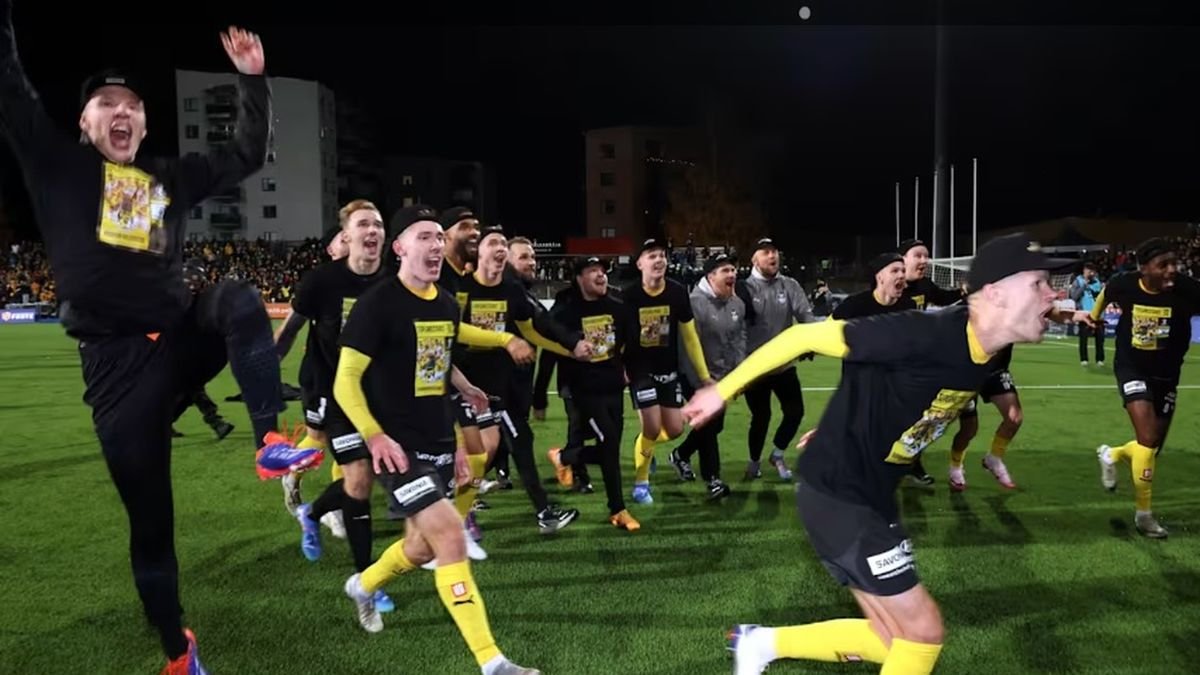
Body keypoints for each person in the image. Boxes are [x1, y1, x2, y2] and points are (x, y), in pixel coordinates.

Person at [0, 9, 279, 671]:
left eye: (132, 105)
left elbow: (245, 155)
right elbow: (10, 84)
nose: (120, 112)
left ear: (146, 124)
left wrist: (252, 80)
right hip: (117, 371)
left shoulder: (166, 178)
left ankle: (270, 441)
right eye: (106, 104)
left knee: (237, 297)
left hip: (179, 339)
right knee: (153, 523)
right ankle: (176, 648)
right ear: (84, 121)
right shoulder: (56, 165)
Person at [683, 233, 1085, 675]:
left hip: (870, 493)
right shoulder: (924, 332)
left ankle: (760, 644)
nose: (1053, 294)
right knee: (924, 631)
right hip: (841, 494)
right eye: (1038, 284)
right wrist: (720, 391)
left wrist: (843, 424)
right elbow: (801, 336)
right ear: (995, 293)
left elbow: (895, 387)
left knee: (893, 638)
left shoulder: (986, 344)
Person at [333, 206, 540, 674]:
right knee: (449, 535)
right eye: (423, 236)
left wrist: (461, 413)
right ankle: (493, 663)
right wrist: (375, 436)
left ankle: (362, 585)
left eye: (438, 237)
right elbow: (345, 380)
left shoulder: (445, 302)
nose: (434, 245)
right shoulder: (377, 304)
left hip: (438, 441)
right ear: (400, 247)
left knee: (421, 548)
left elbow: (442, 353)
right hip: (397, 448)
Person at [274, 200, 399, 623]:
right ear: (347, 236)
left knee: (370, 479)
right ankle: (367, 581)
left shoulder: (394, 281)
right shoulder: (322, 281)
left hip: (381, 395)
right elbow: (289, 332)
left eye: (378, 224)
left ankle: (311, 512)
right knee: (359, 480)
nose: (372, 230)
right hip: (335, 392)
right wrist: (263, 376)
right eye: (363, 224)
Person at [451, 225, 584, 535]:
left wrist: (570, 349)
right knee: (482, 450)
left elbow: (533, 330)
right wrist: (504, 340)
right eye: (493, 243)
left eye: (503, 243)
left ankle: (542, 513)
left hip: (498, 385)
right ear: (479, 252)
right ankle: (454, 513)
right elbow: (452, 331)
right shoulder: (460, 289)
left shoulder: (511, 291)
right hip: (464, 383)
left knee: (516, 441)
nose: (499, 248)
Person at [1094, 237, 1200, 538]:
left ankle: (1112, 454)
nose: (1171, 270)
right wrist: (1093, 318)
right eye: (1162, 265)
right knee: (1148, 437)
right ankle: (1144, 516)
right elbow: (1105, 293)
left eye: (1174, 263)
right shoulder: (1125, 284)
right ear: (1144, 269)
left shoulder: (1188, 289)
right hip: (1132, 368)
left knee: (1152, 448)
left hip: (1167, 375)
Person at [546, 256, 641, 530]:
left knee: (609, 450)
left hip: (614, 387)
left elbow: (630, 343)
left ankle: (564, 457)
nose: (601, 275)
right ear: (579, 278)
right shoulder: (566, 311)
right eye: (593, 271)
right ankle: (618, 509)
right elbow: (550, 345)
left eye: (603, 271)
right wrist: (541, 392)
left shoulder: (617, 307)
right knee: (609, 442)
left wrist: (628, 369)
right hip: (584, 390)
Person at [622, 237, 712, 504]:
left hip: (668, 370)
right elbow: (620, 337)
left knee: (674, 430)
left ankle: (644, 446)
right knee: (651, 427)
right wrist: (620, 368)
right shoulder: (628, 296)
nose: (659, 260)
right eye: (652, 255)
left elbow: (690, 336)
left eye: (662, 255)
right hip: (640, 371)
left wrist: (704, 375)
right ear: (640, 264)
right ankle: (641, 484)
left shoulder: (677, 292)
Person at [667, 253, 744, 500]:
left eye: (733, 270)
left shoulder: (737, 304)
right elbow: (687, 346)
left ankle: (680, 455)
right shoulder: (694, 304)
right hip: (695, 377)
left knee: (715, 425)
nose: (732, 274)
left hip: (722, 378)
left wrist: (739, 375)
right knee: (709, 425)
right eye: (725, 271)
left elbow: (739, 340)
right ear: (710, 276)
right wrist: (700, 382)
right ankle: (713, 479)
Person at [739, 237, 815, 482]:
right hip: (756, 367)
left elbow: (806, 316)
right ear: (754, 260)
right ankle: (753, 463)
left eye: (774, 251)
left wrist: (811, 340)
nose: (772, 256)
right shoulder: (743, 288)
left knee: (795, 412)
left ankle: (778, 453)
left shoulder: (789, 285)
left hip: (783, 365)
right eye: (765, 252)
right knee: (761, 418)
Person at [898, 238, 965, 487]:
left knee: (919, 416)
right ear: (902, 259)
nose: (924, 260)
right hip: (889, 361)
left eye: (926, 256)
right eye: (918, 255)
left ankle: (911, 463)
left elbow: (944, 298)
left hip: (917, 363)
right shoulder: (891, 284)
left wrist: (963, 291)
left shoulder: (925, 284)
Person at [1071, 261, 1106, 366]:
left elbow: (1101, 297)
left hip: (1097, 313)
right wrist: (1084, 286)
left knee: (1100, 338)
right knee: (1083, 338)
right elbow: (1074, 297)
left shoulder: (1097, 282)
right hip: (1084, 314)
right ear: (1084, 271)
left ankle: (1100, 359)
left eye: (1093, 271)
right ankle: (1084, 359)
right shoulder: (1078, 281)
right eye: (1089, 271)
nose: (1091, 273)